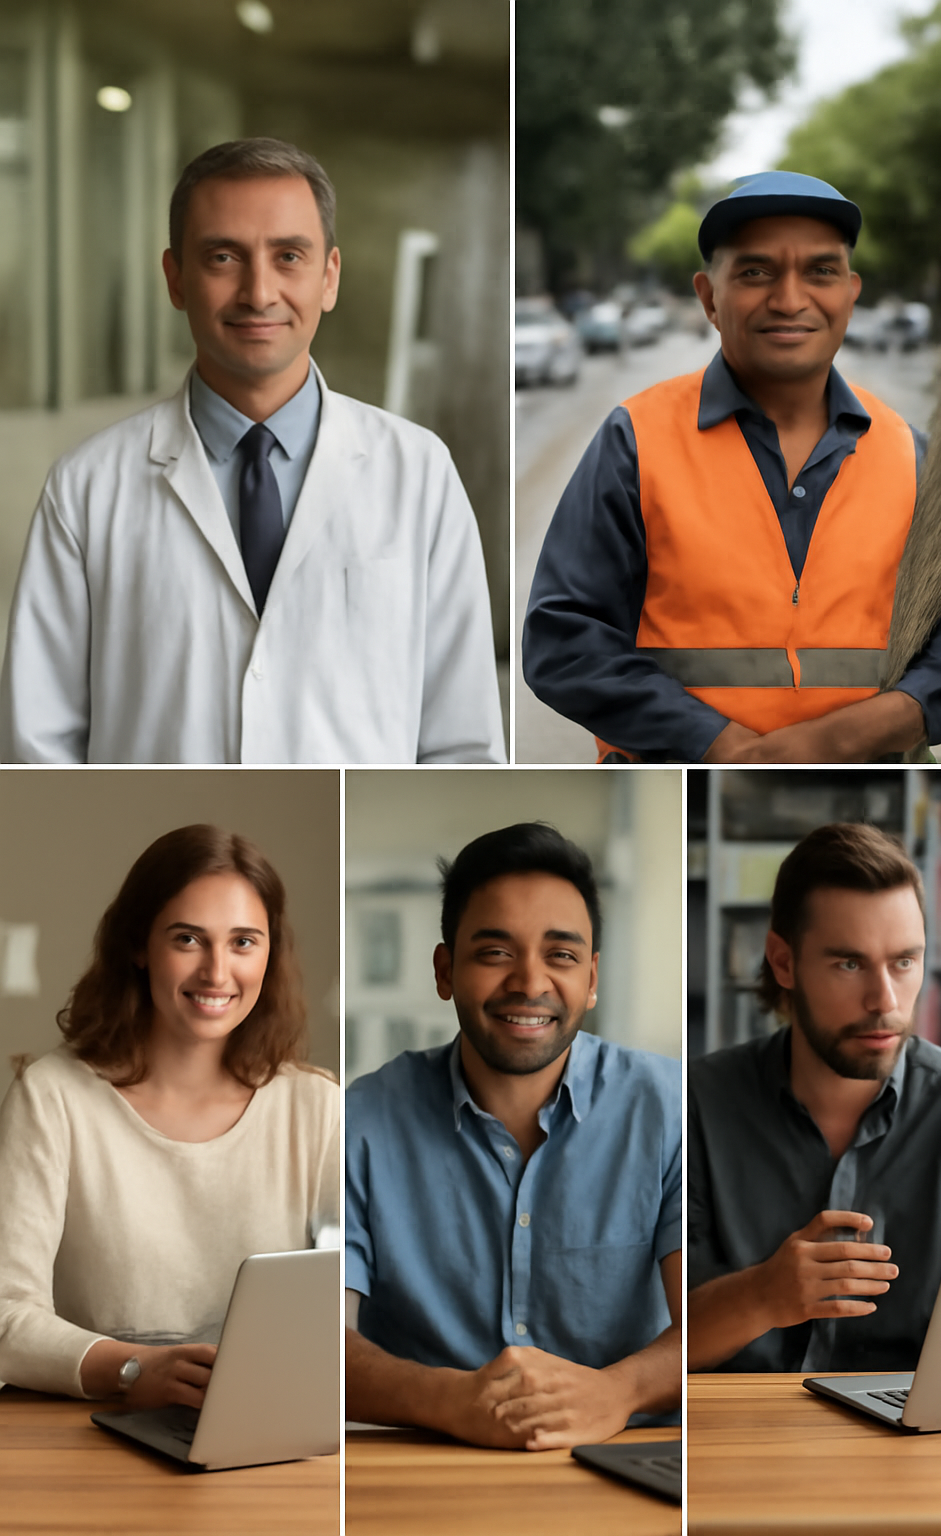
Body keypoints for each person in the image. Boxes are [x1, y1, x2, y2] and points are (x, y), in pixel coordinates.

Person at [0, 137, 504, 765]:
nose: (258, 292)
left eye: (289, 256)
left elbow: (463, 742)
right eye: (223, 257)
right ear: (175, 278)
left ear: (329, 277)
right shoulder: (86, 487)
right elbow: (36, 749)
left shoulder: (419, 472)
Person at [521, 171, 941, 764]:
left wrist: (868, 729)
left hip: (867, 789)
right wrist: (717, 745)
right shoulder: (636, 441)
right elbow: (565, 639)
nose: (790, 299)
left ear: (851, 293)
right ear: (709, 297)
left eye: (821, 271)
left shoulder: (911, 455)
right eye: (756, 273)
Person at [346, 822, 681, 1449]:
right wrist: (450, 1401)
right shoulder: (360, 1121)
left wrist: (618, 1392)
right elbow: (322, 1343)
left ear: (592, 978)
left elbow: (703, 1325)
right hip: (426, 1464)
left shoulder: (669, 1108)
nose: (529, 983)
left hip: (624, 1460)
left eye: (561, 956)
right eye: (496, 953)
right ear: (444, 970)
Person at [0, 825, 339, 1403]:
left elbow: (351, 1313)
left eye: (243, 942)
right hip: (89, 1428)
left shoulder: (317, 1108)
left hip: (262, 1426)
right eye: (188, 939)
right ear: (139, 945)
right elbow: (6, 1313)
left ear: (270, 954)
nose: (217, 972)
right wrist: (133, 1369)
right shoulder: (51, 1097)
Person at [688, 821, 941, 1374]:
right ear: (783, 962)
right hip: (742, 1419)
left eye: (904, 962)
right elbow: (654, 1344)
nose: (884, 1000)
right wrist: (762, 1296)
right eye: (849, 964)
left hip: (915, 1422)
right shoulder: (697, 1106)